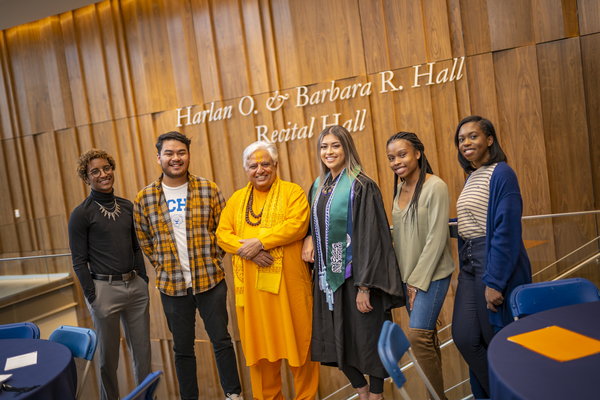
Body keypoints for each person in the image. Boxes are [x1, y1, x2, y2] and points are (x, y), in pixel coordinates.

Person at [133, 131, 243, 400]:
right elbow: (145, 241)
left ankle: (234, 395)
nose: (175, 158)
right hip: (171, 286)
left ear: (189, 156)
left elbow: (223, 232)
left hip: (210, 282)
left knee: (222, 341)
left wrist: (213, 260)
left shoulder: (209, 189)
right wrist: (163, 266)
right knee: (182, 349)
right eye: (169, 153)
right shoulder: (144, 198)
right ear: (158, 157)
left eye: (181, 152)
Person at [302, 125, 405, 400]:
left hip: (357, 277)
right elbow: (315, 225)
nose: (329, 151)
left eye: (335, 145)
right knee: (337, 340)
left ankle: (376, 394)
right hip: (329, 279)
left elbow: (372, 237)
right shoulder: (319, 186)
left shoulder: (361, 186)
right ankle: (361, 391)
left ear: (347, 148)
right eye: (324, 146)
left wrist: (365, 286)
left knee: (368, 339)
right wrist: (309, 237)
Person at [216, 141, 320, 400]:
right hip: (254, 298)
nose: (259, 169)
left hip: (290, 292)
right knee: (262, 358)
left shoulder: (292, 192)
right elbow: (222, 234)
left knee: (301, 351)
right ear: (245, 169)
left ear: (276, 165)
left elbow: (296, 225)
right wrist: (247, 250)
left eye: (265, 164)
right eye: (253, 165)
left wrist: (260, 242)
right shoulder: (238, 200)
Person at [451, 116, 532, 398]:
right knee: (463, 337)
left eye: (473, 136)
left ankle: (512, 392)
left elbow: (506, 227)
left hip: (491, 260)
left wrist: (496, 281)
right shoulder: (473, 176)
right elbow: (472, 220)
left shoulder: (502, 172)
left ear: (489, 139)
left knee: (492, 339)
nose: (466, 143)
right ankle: (504, 393)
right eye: (461, 139)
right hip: (470, 261)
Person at [68, 149, 151, 400]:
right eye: (95, 171)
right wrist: (93, 297)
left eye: (106, 168)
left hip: (135, 288)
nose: (103, 174)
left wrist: (144, 281)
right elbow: (79, 262)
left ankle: (146, 397)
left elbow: (136, 246)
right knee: (108, 360)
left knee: (143, 355)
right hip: (104, 292)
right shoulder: (81, 214)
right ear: (86, 178)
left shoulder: (128, 207)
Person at [386, 132, 454, 400]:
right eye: (391, 157)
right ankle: (436, 396)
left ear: (417, 153)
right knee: (426, 338)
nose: (396, 161)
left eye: (402, 154)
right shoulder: (400, 188)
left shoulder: (435, 186)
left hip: (432, 275)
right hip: (407, 277)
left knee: (416, 336)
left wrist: (415, 282)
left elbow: (437, 239)